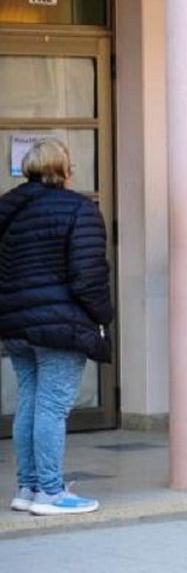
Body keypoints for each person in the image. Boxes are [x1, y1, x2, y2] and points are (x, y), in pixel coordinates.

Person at [0, 138, 112, 517]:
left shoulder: (8, 210)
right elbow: (88, 276)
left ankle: (27, 487)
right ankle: (49, 491)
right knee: (50, 406)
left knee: (30, 402)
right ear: (66, 170)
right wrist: (102, 317)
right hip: (60, 324)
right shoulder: (79, 208)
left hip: (15, 322)